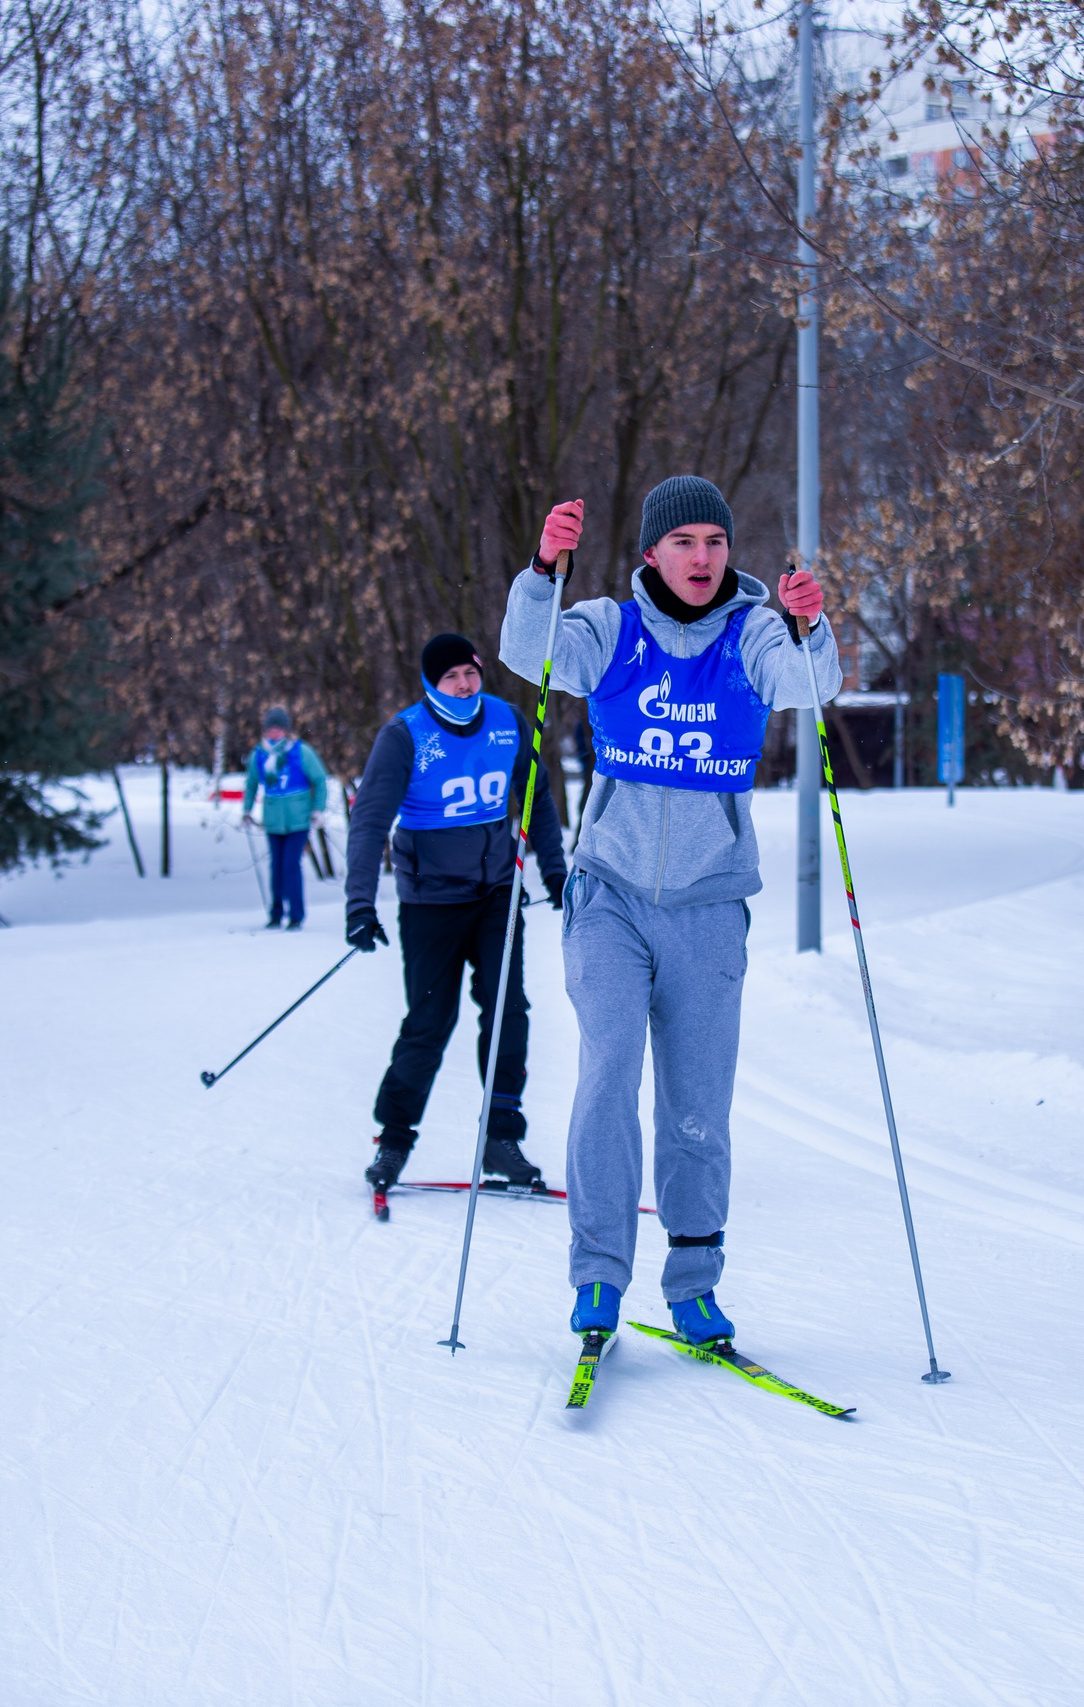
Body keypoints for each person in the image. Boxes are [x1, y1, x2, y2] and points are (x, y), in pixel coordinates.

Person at [500, 477, 838, 1346]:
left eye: (715, 541)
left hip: (710, 904)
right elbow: (526, 652)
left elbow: (810, 685)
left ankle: (693, 1283)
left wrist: (811, 621)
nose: (701, 556)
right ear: (653, 551)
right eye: (682, 540)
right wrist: (544, 568)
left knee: (697, 1104)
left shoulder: (754, 633)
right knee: (607, 1078)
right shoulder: (609, 627)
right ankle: (598, 1279)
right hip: (609, 895)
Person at [344, 632, 569, 1196]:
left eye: (471, 673)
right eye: (451, 678)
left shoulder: (508, 719)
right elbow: (370, 823)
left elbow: (537, 796)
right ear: (430, 684)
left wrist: (554, 872)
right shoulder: (404, 737)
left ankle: (500, 1138)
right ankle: (394, 1138)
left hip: (497, 893)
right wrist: (359, 904)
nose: (465, 685)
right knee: (429, 1022)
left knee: (507, 1012)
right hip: (430, 903)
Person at [242, 707, 330, 930]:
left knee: (291, 864)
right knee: (277, 867)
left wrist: (318, 809)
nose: (274, 734)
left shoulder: (300, 751)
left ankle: (296, 915)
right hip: (273, 820)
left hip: (298, 819)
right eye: (270, 729)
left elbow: (320, 780)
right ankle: (276, 912)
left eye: (278, 729)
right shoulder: (259, 754)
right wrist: (247, 810)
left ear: (286, 731)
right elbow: (251, 784)